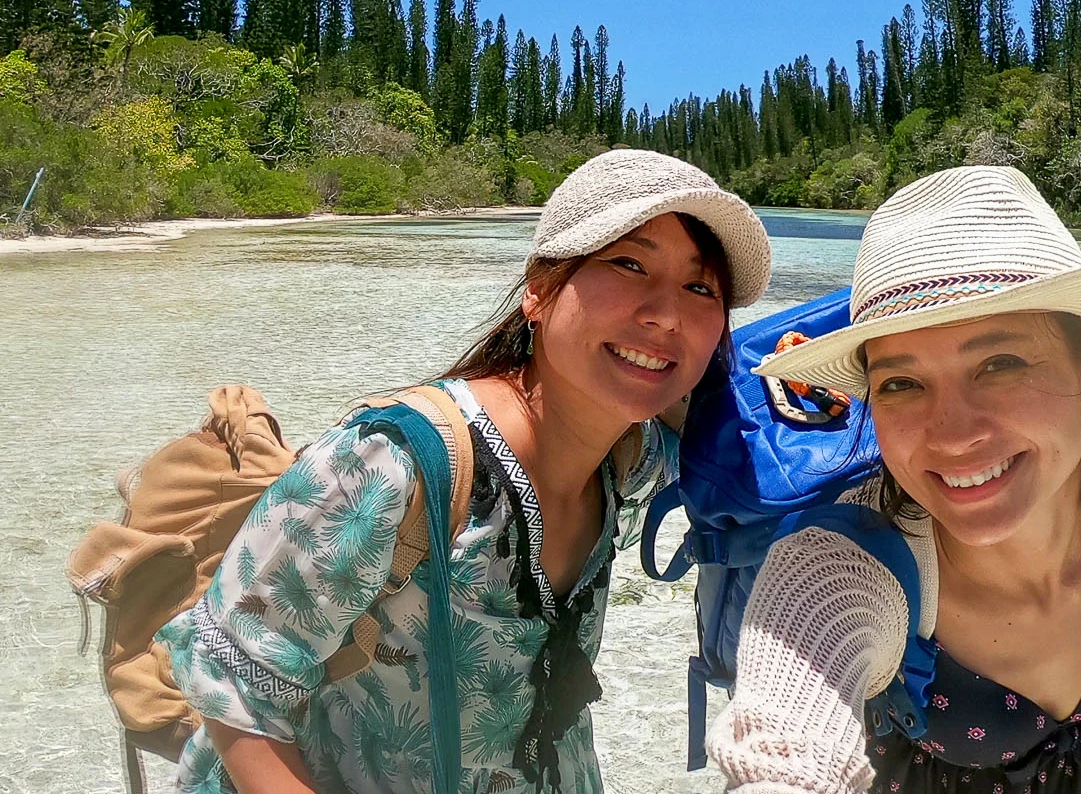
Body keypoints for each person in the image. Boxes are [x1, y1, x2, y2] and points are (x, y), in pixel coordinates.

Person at [155, 149, 772, 794]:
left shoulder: (632, 458)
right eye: (628, 264)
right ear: (539, 288)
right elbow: (236, 686)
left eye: (700, 288)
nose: (667, 314)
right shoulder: (392, 466)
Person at [708, 166, 1081, 793]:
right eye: (903, 382)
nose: (954, 435)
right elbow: (787, 753)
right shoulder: (837, 564)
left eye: (999, 364)